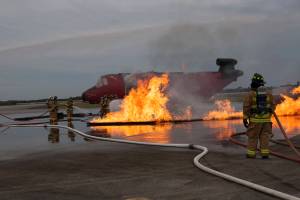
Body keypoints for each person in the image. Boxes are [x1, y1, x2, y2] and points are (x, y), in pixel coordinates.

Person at [243, 73, 275, 159]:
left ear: (253, 83)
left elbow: (246, 107)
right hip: (266, 121)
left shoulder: (250, 94)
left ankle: (251, 154)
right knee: (264, 137)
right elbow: (273, 106)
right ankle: (264, 154)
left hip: (255, 121)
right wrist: (268, 116)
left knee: (253, 137)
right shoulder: (269, 94)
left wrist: (245, 118)